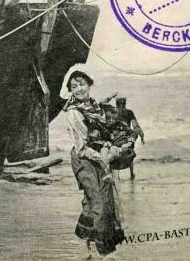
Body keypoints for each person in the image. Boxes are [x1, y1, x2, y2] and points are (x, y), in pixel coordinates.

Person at [63, 70, 125, 257]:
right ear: (71, 91)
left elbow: (99, 114)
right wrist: (106, 157)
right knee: (99, 203)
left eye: (82, 84)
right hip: (84, 159)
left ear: (89, 84)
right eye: (74, 87)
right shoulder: (73, 112)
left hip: (98, 155)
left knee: (100, 201)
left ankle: (85, 242)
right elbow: (81, 147)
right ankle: (106, 252)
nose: (79, 89)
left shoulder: (93, 106)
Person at [116, 97, 144, 179]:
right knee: (130, 153)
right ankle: (131, 174)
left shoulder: (114, 112)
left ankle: (117, 176)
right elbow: (135, 125)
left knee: (117, 155)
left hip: (117, 137)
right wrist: (141, 135)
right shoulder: (129, 112)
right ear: (125, 104)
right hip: (128, 136)